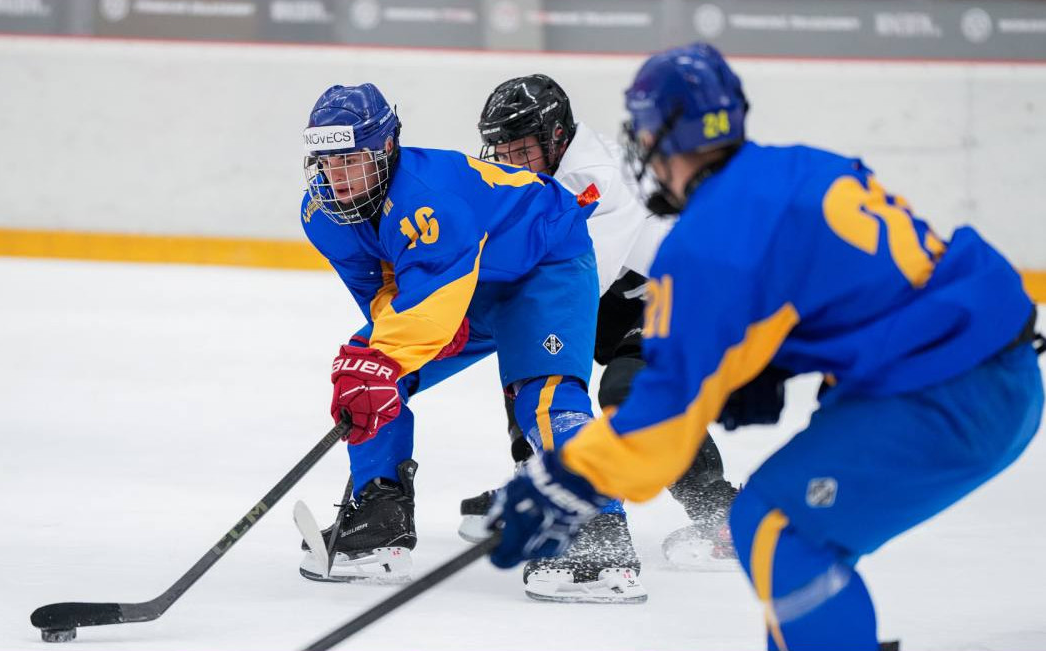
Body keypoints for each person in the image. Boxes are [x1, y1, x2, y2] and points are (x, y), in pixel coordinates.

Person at [487, 43, 1044, 650]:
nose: (640, 150)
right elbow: (870, 291)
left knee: (776, 524)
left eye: (645, 134)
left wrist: (565, 479)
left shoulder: (709, 242)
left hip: (952, 393)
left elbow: (662, 420)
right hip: (982, 368)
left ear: (668, 136)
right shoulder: (802, 165)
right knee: (779, 525)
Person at [297, 82, 605, 587]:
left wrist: (414, 341)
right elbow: (385, 290)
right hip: (464, 279)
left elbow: (433, 292)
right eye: (327, 162)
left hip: (543, 264)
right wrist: (390, 356)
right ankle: (382, 521)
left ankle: (599, 536)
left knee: (547, 399)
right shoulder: (323, 213)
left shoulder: (429, 197)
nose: (338, 176)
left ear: (386, 149)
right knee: (364, 370)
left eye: (351, 159)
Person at [459, 74, 753, 601]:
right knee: (532, 362)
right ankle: (545, 482)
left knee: (629, 393)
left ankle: (722, 516)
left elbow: (570, 282)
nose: (508, 161)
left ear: (555, 136)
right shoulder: (545, 172)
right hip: (629, 292)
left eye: (521, 149)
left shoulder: (591, 178)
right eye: (499, 151)